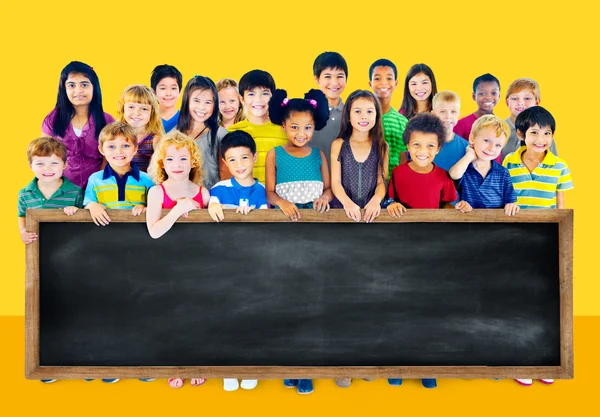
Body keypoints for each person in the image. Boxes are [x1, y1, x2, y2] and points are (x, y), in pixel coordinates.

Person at [42, 61, 114, 189]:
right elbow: (45, 156)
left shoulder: (107, 120)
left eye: (84, 85)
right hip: (61, 190)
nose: (78, 90)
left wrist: (97, 185)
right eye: (71, 85)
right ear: (64, 89)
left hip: (98, 189)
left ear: (94, 88)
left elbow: (109, 158)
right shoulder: (52, 120)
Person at [330, 90, 389, 226]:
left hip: (372, 214)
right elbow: (336, 182)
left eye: (369, 112)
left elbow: (382, 182)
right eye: (357, 111)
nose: (364, 117)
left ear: (377, 115)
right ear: (348, 116)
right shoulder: (338, 145)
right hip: (342, 212)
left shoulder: (382, 146)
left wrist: (375, 201)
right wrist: (347, 204)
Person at [83, 122, 154, 227]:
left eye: (125, 146)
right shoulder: (95, 179)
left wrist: (146, 208)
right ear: (102, 150)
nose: (119, 151)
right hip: (104, 233)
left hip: (138, 232)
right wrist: (92, 205)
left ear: (135, 149)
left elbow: (156, 207)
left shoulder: (147, 179)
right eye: (111, 146)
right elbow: (88, 204)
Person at [448, 115, 519, 215]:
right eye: (487, 141)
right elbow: (454, 174)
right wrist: (469, 155)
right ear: (472, 138)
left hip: (496, 225)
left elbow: (510, 202)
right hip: (468, 223)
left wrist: (510, 205)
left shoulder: (503, 173)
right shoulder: (464, 169)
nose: (491, 148)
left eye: (498, 145)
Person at [177, 75, 227, 189]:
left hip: (213, 202)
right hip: (180, 200)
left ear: (215, 105)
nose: (202, 107)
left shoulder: (220, 135)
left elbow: (226, 177)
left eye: (208, 102)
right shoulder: (174, 134)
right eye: (196, 100)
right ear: (187, 101)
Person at [368, 58, 408, 175]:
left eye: (389, 78)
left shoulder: (402, 122)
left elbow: (403, 160)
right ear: (370, 83)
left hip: (392, 186)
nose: (384, 83)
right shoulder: (361, 118)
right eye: (377, 78)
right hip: (366, 185)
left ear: (396, 83)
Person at [311, 52, 348, 168]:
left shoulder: (351, 113)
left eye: (340, 76)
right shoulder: (306, 112)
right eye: (327, 76)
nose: (334, 82)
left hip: (342, 181)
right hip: (311, 180)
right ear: (317, 79)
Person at [117, 84, 164, 172]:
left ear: (152, 112)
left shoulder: (156, 140)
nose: (137, 113)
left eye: (144, 109)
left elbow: (160, 172)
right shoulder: (115, 137)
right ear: (123, 109)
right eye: (131, 107)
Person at [453, 73, 501, 139]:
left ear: (499, 95)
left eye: (494, 93)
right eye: (482, 93)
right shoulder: (462, 125)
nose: (488, 97)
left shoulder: (501, 125)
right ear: (474, 96)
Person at [150, 64, 182, 133]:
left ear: (180, 91)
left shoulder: (187, 120)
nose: (168, 93)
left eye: (173, 88)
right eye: (163, 88)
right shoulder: (147, 120)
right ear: (153, 92)